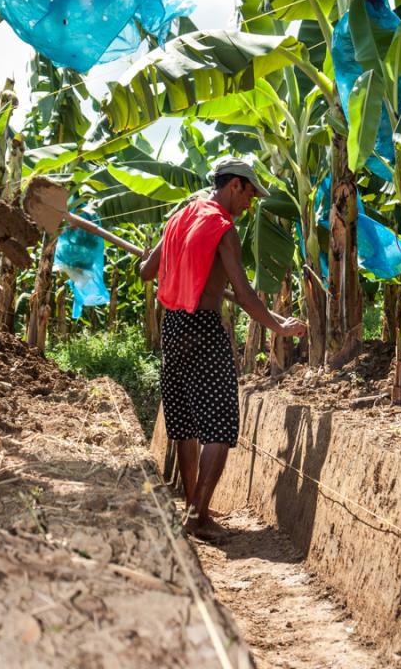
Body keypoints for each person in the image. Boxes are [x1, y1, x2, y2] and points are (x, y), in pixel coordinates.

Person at [140, 158, 306, 541]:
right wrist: (277, 324)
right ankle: (197, 518)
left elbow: (146, 272)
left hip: (174, 327)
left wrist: (153, 254)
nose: (251, 203)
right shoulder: (222, 228)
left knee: (184, 423)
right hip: (203, 327)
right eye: (250, 193)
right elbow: (245, 294)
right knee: (218, 425)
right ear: (234, 185)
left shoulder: (180, 218)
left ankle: (192, 508)